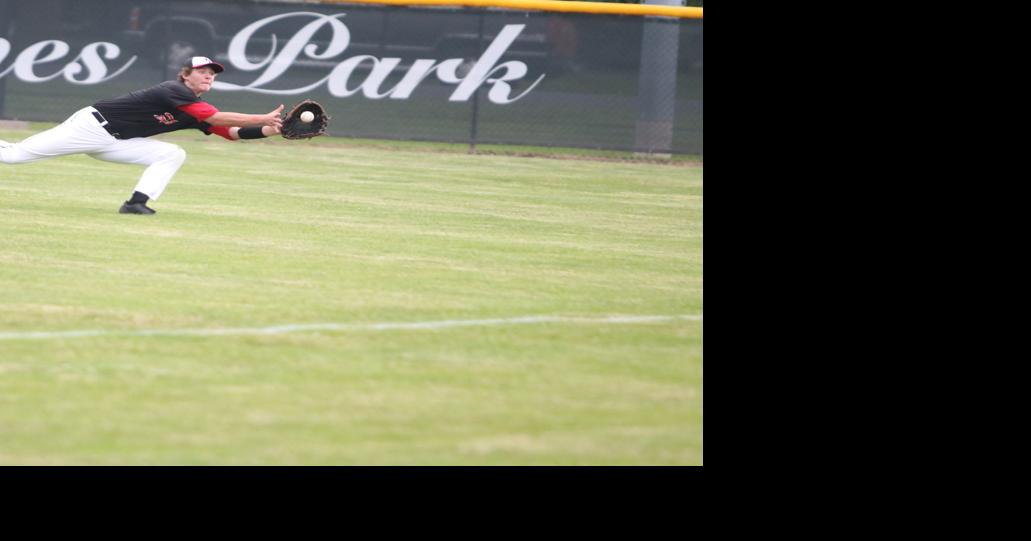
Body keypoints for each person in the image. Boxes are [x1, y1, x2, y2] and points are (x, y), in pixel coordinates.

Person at [0, 56, 284, 215]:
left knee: (171, 153)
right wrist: (262, 116)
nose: (209, 76)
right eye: (203, 72)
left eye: (213, 73)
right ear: (185, 75)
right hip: (89, 127)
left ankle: (136, 203)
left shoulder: (193, 108)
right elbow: (214, 117)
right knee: (14, 156)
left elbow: (231, 132)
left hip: (116, 142)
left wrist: (270, 130)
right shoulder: (174, 90)